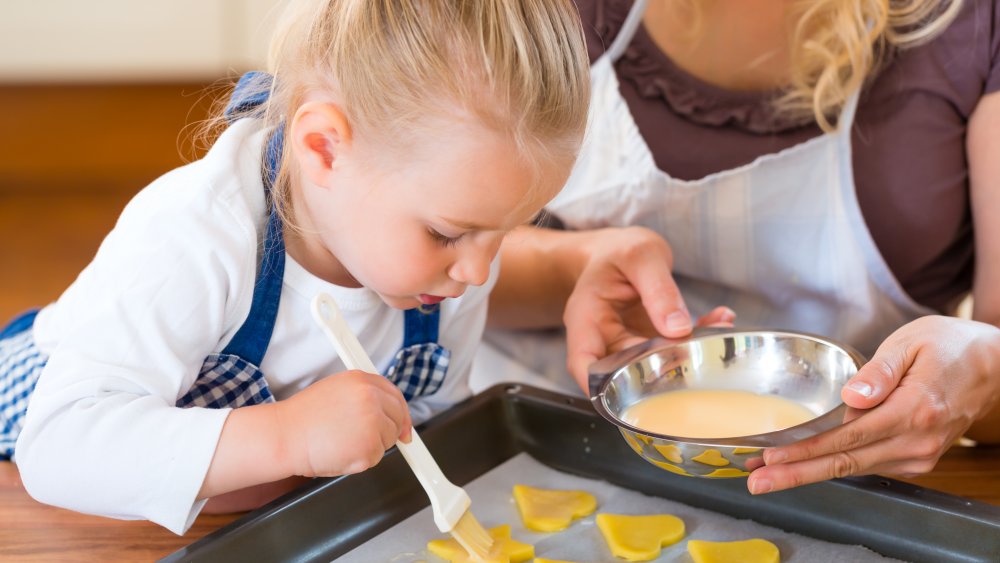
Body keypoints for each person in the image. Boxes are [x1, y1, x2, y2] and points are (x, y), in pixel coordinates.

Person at [0, 0, 591, 534]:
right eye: (447, 233)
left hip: (253, 519)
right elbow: (58, 450)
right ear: (324, 148)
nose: (480, 272)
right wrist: (289, 437)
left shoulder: (448, 275)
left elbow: (432, 433)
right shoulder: (198, 234)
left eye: (510, 231)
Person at [481, 0, 1000, 495]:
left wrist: (984, 372)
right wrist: (575, 270)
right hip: (530, 441)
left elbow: (988, 367)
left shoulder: (979, 25)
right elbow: (429, 261)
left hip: (849, 485)